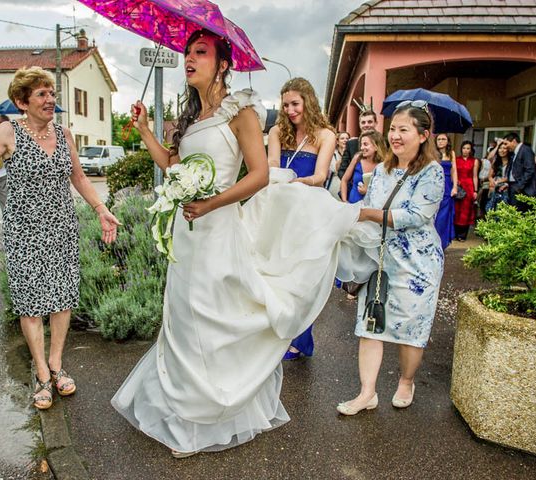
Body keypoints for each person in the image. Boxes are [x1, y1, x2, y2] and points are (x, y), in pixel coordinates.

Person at [112, 29, 379, 457]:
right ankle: (181, 410)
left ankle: (215, 408)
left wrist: (211, 203)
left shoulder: (243, 111)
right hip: (188, 231)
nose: (189, 60)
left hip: (219, 229)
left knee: (213, 315)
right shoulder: (192, 118)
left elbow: (256, 175)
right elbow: (170, 163)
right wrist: (145, 130)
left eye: (199, 52)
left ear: (222, 64)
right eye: (186, 53)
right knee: (182, 317)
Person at [0, 67, 121, 410]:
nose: (50, 99)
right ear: (22, 101)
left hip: (62, 229)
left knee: (62, 299)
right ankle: (41, 374)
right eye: (42, 94)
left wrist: (100, 208)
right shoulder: (8, 132)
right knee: (32, 303)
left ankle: (56, 364)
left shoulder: (64, 133)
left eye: (52, 93)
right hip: (25, 232)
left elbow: (78, 177)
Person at [336, 100, 445, 415]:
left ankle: (406, 380)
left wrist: (365, 213)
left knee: (411, 329)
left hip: (417, 265)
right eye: (393, 129)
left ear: (423, 135)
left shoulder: (432, 172)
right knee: (370, 325)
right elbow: (370, 205)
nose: (395, 136)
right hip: (381, 260)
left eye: (404, 129)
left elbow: (415, 215)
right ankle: (367, 393)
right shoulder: (382, 169)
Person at [267, 77, 337, 360]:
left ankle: (300, 338)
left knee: (301, 276)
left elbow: (320, 177)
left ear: (308, 101)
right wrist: (277, 178)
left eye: (295, 103)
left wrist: (295, 183)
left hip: (307, 210)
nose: (290, 110)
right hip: (278, 208)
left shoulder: (325, 135)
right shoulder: (276, 132)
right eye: (285, 105)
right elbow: (272, 164)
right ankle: (276, 333)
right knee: (276, 272)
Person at [340, 130, 386, 204]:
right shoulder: (357, 158)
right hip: (352, 207)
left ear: (376, 147)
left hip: (372, 209)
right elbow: (344, 180)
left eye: (365, 144)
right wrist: (345, 201)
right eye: (361, 144)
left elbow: (386, 191)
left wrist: (368, 192)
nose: (361, 147)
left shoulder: (384, 165)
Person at [503, 132, 536, 211]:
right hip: (514, 187)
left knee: (520, 215)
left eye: (506, 143)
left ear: (513, 141)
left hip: (524, 190)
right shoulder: (516, 152)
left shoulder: (525, 150)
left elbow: (529, 170)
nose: (505, 147)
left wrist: (519, 186)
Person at [337, 110, 378, 180]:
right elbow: (342, 171)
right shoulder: (351, 144)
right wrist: (353, 184)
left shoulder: (384, 143)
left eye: (370, 122)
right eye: (363, 122)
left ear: (376, 123)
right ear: (359, 124)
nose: (366, 125)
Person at [434, 133, 458, 250]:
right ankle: (434, 240)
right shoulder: (433, 153)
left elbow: (454, 171)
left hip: (448, 184)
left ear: (448, 141)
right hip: (436, 184)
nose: (441, 141)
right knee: (436, 214)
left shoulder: (451, 153)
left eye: (443, 139)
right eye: (439, 139)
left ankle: (442, 242)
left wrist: (455, 187)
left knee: (444, 215)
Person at [454, 140, 479, 241]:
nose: (465, 150)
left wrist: (475, 190)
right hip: (458, 185)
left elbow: (475, 176)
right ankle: (455, 233)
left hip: (469, 186)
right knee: (457, 210)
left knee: (466, 211)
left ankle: (463, 235)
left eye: (468, 148)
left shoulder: (474, 161)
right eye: (464, 148)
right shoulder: (456, 159)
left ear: (471, 150)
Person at [486, 140, 511, 211]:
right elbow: (490, 176)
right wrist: (497, 145)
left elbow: (512, 176)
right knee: (491, 209)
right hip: (495, 188)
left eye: (504, 148)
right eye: (500, 148)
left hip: (506, 189)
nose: (502, 150)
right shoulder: (496, 161)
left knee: (503, 210)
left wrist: (500, 181)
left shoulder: (512, 162)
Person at [326, 131, 349, 199]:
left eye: (347, 138)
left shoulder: (351, 153)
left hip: (348, 183)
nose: (345, 140)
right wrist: (344, 155)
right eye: (342, 138)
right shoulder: (333, 154)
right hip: (335, 182)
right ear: (338, 142)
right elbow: (335, 169)